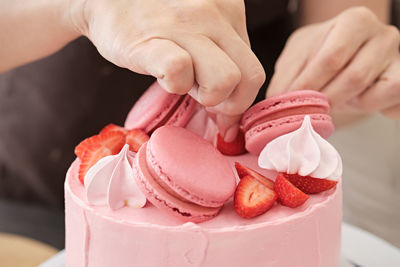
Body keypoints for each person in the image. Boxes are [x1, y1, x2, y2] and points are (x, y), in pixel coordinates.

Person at [0, 0, 399, 246]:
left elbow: (336, 89)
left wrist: (342, 74)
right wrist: (76, 7)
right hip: (23, 195)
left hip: (244, 155)